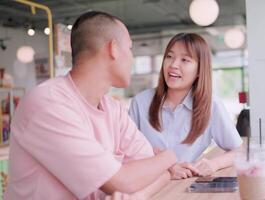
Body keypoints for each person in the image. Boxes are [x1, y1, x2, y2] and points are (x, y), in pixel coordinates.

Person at [5, 11, 177, 200]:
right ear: (113, 49)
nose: (132, 58)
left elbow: (153, 171)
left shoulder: (113, 109)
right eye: (129, 48)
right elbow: (124, 182)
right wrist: (169, 157)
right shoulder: (48, 103)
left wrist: (140, 193)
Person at [129, 33, 243, 180]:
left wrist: (214, 164)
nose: (173, 65)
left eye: (185, 60)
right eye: (169, 57)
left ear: (199, 71)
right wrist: (168, 166)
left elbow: (239, 151)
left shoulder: (210, 106)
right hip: (146, 185)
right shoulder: (140, 102)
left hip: (182, 188)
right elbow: (127, 151)